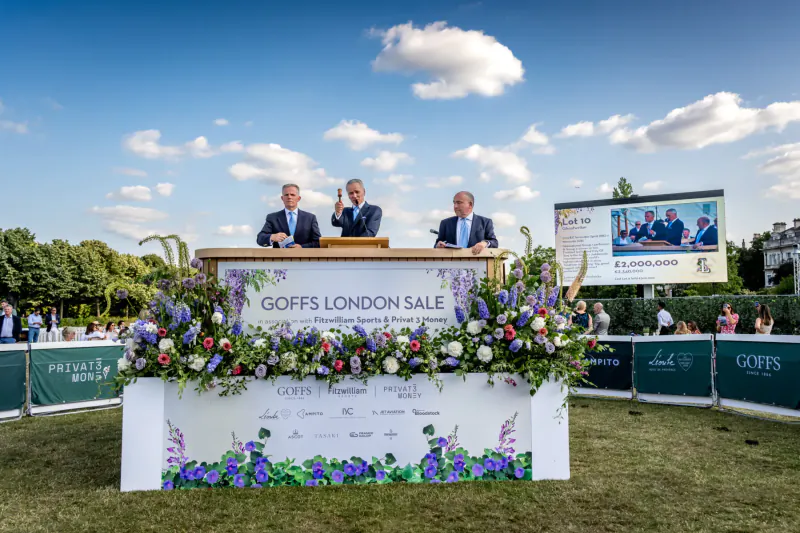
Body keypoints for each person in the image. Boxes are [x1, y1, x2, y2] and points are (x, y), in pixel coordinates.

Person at [256, 183, 321, 248]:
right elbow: (260, 239)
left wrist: (302, 247)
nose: (289, 197)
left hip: (303, 257)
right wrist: (272, 237)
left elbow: (318, 242)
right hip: (280, 257)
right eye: (286, 195)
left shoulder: (310, 218)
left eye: (292, 195)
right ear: (282, 198)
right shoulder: (273, 218)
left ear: (298, 198)